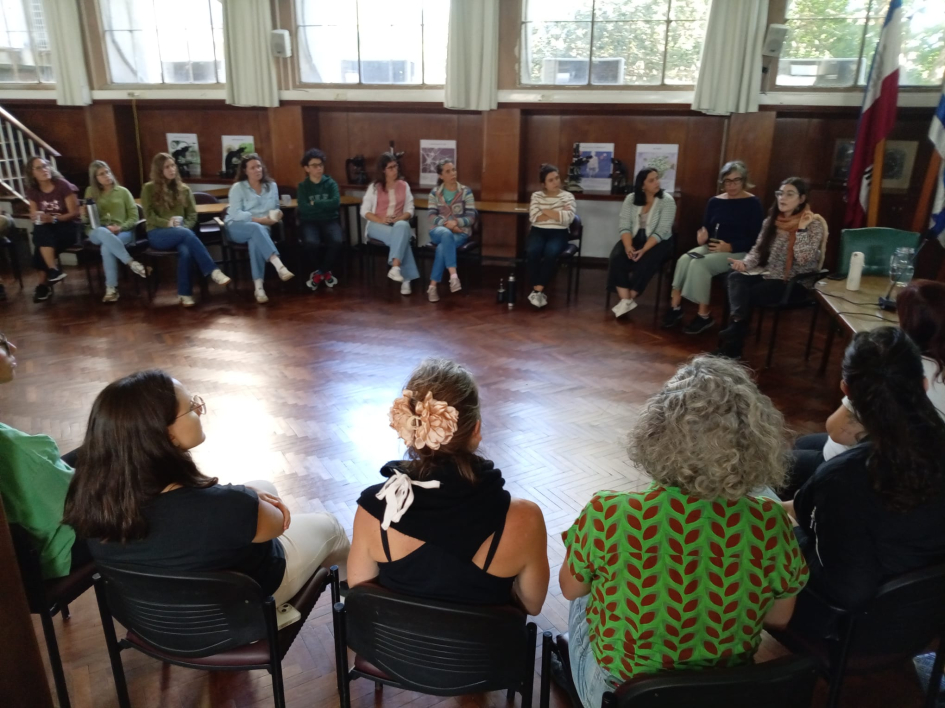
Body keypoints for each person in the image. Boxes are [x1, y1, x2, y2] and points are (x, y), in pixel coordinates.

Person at [560, 355, 807, 708]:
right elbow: (779, 618)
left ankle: (576, 676)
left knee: (585, 584)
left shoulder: (609, 512)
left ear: (656, 432)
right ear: (754, 441)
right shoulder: (771, 521)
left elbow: (571, 589)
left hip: (624, 696)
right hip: (722, 694)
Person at [62, 370, 350, 606]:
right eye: (191, 407)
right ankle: (358, 608)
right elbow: (277, 525)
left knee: (262, 486)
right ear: (166, 434)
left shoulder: (90, 495)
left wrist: (245, 495)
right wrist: (244, 498)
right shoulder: (224, 506)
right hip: (239, 610)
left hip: (150, 612)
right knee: (332, 527)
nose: (200, 409)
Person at [348, 358, 549, 612]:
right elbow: (532, 605)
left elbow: (360, 591)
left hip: (395, 650)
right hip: (482, 651)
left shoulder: (375, 509)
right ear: (475, 430)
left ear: (411, 430)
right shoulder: (525, 520)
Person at [783, 328, 945, 638]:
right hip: (929, 617)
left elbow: (849, 590)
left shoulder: (844, 478)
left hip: (863, 630)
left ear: (847, 390)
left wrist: (782, 537)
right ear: (923, 385)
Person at [787, 280, 945, 495]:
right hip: (914, 466)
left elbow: (837, 431)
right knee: (803, 443)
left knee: (783, 463)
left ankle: (799, 506)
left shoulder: (893, 366)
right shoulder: (929, 368)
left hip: (862, 469)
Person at [0, 332, 91, 578]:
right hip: (56, 552)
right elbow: (72, 503)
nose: (12, 347)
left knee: (98, 451)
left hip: (26, 544)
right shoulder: (14, 448)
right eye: (1, 343)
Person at [716, 177, 827, 359]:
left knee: (746, 294)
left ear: (801, 199)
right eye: (780, 193)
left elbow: (804, 258)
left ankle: (732, 347)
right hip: (768, 274)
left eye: (789, 194)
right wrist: (745, 264)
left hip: (794, 281)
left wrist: (802, 229)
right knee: (734, 277)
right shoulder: (771, 221)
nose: (782, 198)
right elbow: (757, 251)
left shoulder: (813, 224)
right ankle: (737, 326)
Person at [663, 161, 764, 334]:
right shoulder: (715, 201)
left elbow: (757, 239)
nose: (731, 185)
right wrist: (702, 237)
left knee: (700, 264)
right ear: (722, 182)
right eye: (727, 181)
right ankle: (676, 307)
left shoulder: (753, 203)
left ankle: (704, 316)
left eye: (736, 180)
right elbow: (706, 229)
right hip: (713, 246)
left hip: (738, 251)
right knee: (684, 259)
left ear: (744, 180)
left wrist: (730, 246)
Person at [141, 153, 231, 307]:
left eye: (173, 165)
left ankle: (185, 294)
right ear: (158, 170)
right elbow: (149, 216)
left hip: (182, 233)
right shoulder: (148, 188)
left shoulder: (184, 189)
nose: (171, 169)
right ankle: (213, 271)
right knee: (186, 235)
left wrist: (184, 227)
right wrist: (167, 223)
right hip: (157, 233)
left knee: (186, 251)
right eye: (167, 167)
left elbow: (192, 215)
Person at [224, 153, 294, 304]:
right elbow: (235, 214)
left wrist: (277, 215)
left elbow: (274, 208)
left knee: (255, 240)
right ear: (245, 171)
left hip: (262, 228)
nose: (257, 170)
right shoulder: (238, 187)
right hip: (237, 226)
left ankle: (259, 288)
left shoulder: (272, 186)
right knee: (256, 228)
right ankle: (279, 265)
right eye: (253, 167)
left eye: (259, 166)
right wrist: (258, 220)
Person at [606, 168, 676, 319]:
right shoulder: (631, 199)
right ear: (642, 185)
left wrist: (643, 250)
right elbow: (624, 225)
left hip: (660, 241)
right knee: (617, 257)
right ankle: (626, 301)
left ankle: (627, 300)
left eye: (657, 178)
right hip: (635, 237)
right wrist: (628, 246)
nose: (657, 182)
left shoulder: (667, 200)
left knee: (646, 262)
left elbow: (662, 231)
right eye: (651, 180)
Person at [82, 160, 148, 303]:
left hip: (122, 231)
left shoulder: (123, 192)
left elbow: (134, 217)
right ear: (95, 178)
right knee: (101, 232)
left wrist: (121, 227)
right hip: (97, 232)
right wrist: (84, 213)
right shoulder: (90, 192)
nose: (106, 176)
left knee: (107, 248)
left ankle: (111, 289)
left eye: (107, 172)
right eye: (101, 174)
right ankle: (131, 263)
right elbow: (86, 220)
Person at [25, 156, 81, 303]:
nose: (45, 169)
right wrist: (37, 216)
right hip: (48, 229)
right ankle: (52, 271)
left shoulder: (63, 185)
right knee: (41, 231)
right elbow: (34, 213)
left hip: (69, 227)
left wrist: (54, 219)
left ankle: (44, 284)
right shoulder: (33, 191)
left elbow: (75, 213)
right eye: (40, 168)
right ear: (32, 173)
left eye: (46, 165)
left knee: (40, 244)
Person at [360, 154, 416, 296]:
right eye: (390, 167)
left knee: (402, 227)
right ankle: (406, 279)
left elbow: (410, 210)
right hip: (376, 225)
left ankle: (395, 269)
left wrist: (400, 218)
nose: (394, 170)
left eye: (395, 166)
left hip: (397, 225)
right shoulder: (374, 187)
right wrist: (381, 219)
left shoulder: (404, 186)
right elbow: (364, 211)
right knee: (402, 238)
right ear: (383, 170)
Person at [426, 159, 477, 303]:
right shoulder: (435, 193)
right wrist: (447, 224)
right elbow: (431, 216)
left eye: (454, 170)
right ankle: (454, 276)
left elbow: (471, 217)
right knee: (446, 233)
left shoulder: (465, 191)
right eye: (448, 171)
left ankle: (432, 286)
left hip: (460, 232)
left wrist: (457, 223)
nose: (453, 173)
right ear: (441, 176)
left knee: (443, 247)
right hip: (438, 231)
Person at [526, 164, 576, 309]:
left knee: (551, 252)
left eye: (557, 178)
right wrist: (558, 211)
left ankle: (537, 290)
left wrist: (545, 210)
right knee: (532, 251)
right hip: (538, 230)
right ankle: (538, 290)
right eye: (551, 180)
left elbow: (567, 219)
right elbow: (534, 217)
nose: (556, 182)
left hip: (559, 232)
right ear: (543, 184)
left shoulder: (568, 196)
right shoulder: (536, 195)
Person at [297, 148, 343, 292]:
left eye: (320, 165)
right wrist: (324, 206)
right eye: (314, 165)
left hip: (329, 220)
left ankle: (320, 273)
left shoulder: (331, 184)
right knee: (311, 243)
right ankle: (325, 272)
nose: (319, 168)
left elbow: (335, 203)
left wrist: (314, 204)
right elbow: (303, 208)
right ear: (307, 168)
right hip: (309, 221)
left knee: (337, 241)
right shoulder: (303, 187)